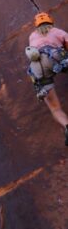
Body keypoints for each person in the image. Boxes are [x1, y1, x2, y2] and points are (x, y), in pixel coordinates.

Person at [26, 12, 68, 145]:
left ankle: (67, 126)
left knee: (55, 108)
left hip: (38, 67)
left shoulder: (32, 36)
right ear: (51, 21)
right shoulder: (57, 31)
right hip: (55, 57)